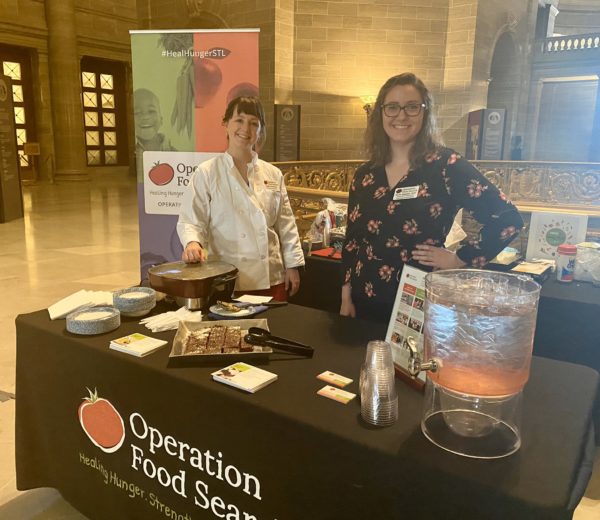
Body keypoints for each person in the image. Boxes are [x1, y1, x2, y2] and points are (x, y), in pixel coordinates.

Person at [340, 73, 523, 322]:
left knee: (412, 362)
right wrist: (345, 294)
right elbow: (353, 240)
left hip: (418, 301)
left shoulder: (447, 165)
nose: (401, 116)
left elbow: (508, 219)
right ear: (381, 113)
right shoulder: (365, 174)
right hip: (364, 299)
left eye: (412, 107)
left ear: (425, 113)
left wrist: (460, 258)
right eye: (392, 107)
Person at [177, 96, 304, 300]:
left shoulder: (273, 174)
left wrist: (293, 265)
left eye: (254, 123)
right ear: (225, 123)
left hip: (271, 277)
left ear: (260, 130)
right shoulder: (207, 172)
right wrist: (193, 243)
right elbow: (191, 220)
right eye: (239, 120)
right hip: (228, 280)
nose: (246, 128)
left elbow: (286, 225)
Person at [134, 88, 177, 152]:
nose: (145, 117)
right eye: (137, 112)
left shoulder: (175, 153)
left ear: (161, 119)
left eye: (151, 111)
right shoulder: (128, 153)